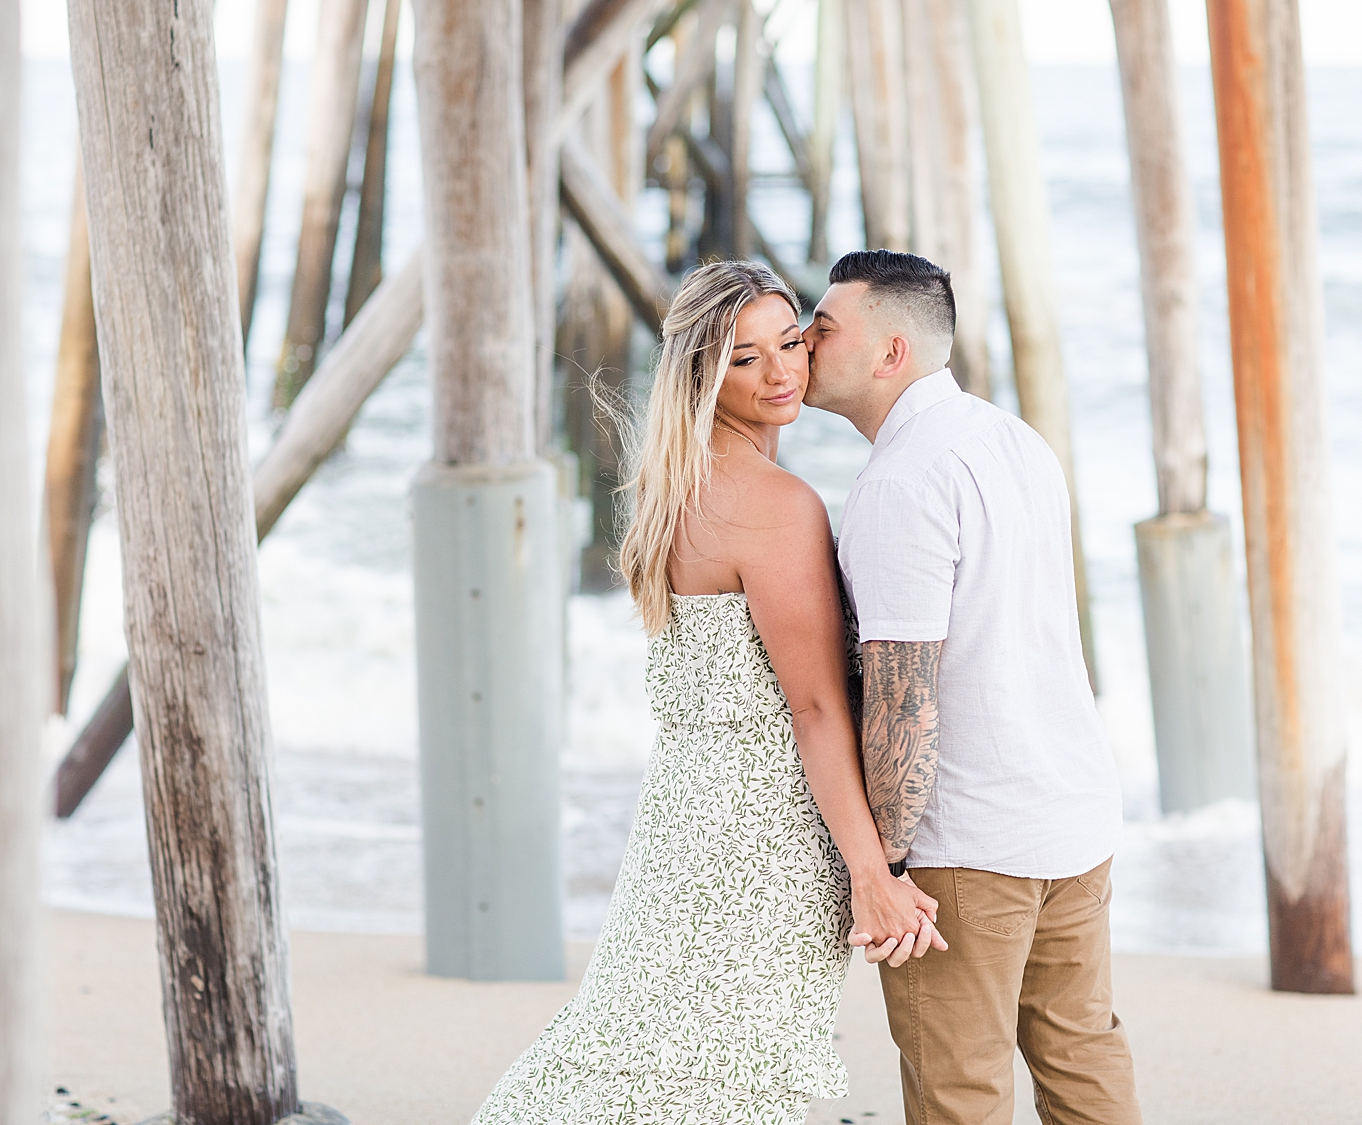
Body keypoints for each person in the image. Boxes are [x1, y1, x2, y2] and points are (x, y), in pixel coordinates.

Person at [470, 259, 943, 1125]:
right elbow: (813, 709)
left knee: (634, 1052)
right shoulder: (775, 503)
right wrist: (874, 876)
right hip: (760, 843)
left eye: (791, 344)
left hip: (682, 820)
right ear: (699, 371)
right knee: (721, 1077)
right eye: (744, 358)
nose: (782, 373)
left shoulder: (674, 488)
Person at [806, 250, 1142, 1125]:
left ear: (890, 355)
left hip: (969, 841)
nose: (805, 341)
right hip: (1073, 812)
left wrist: (881, 867)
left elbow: (902, 699)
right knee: (1082, 1056)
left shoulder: (901, 480)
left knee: (960, 1089)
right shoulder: (1014, 439)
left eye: (825, 327)